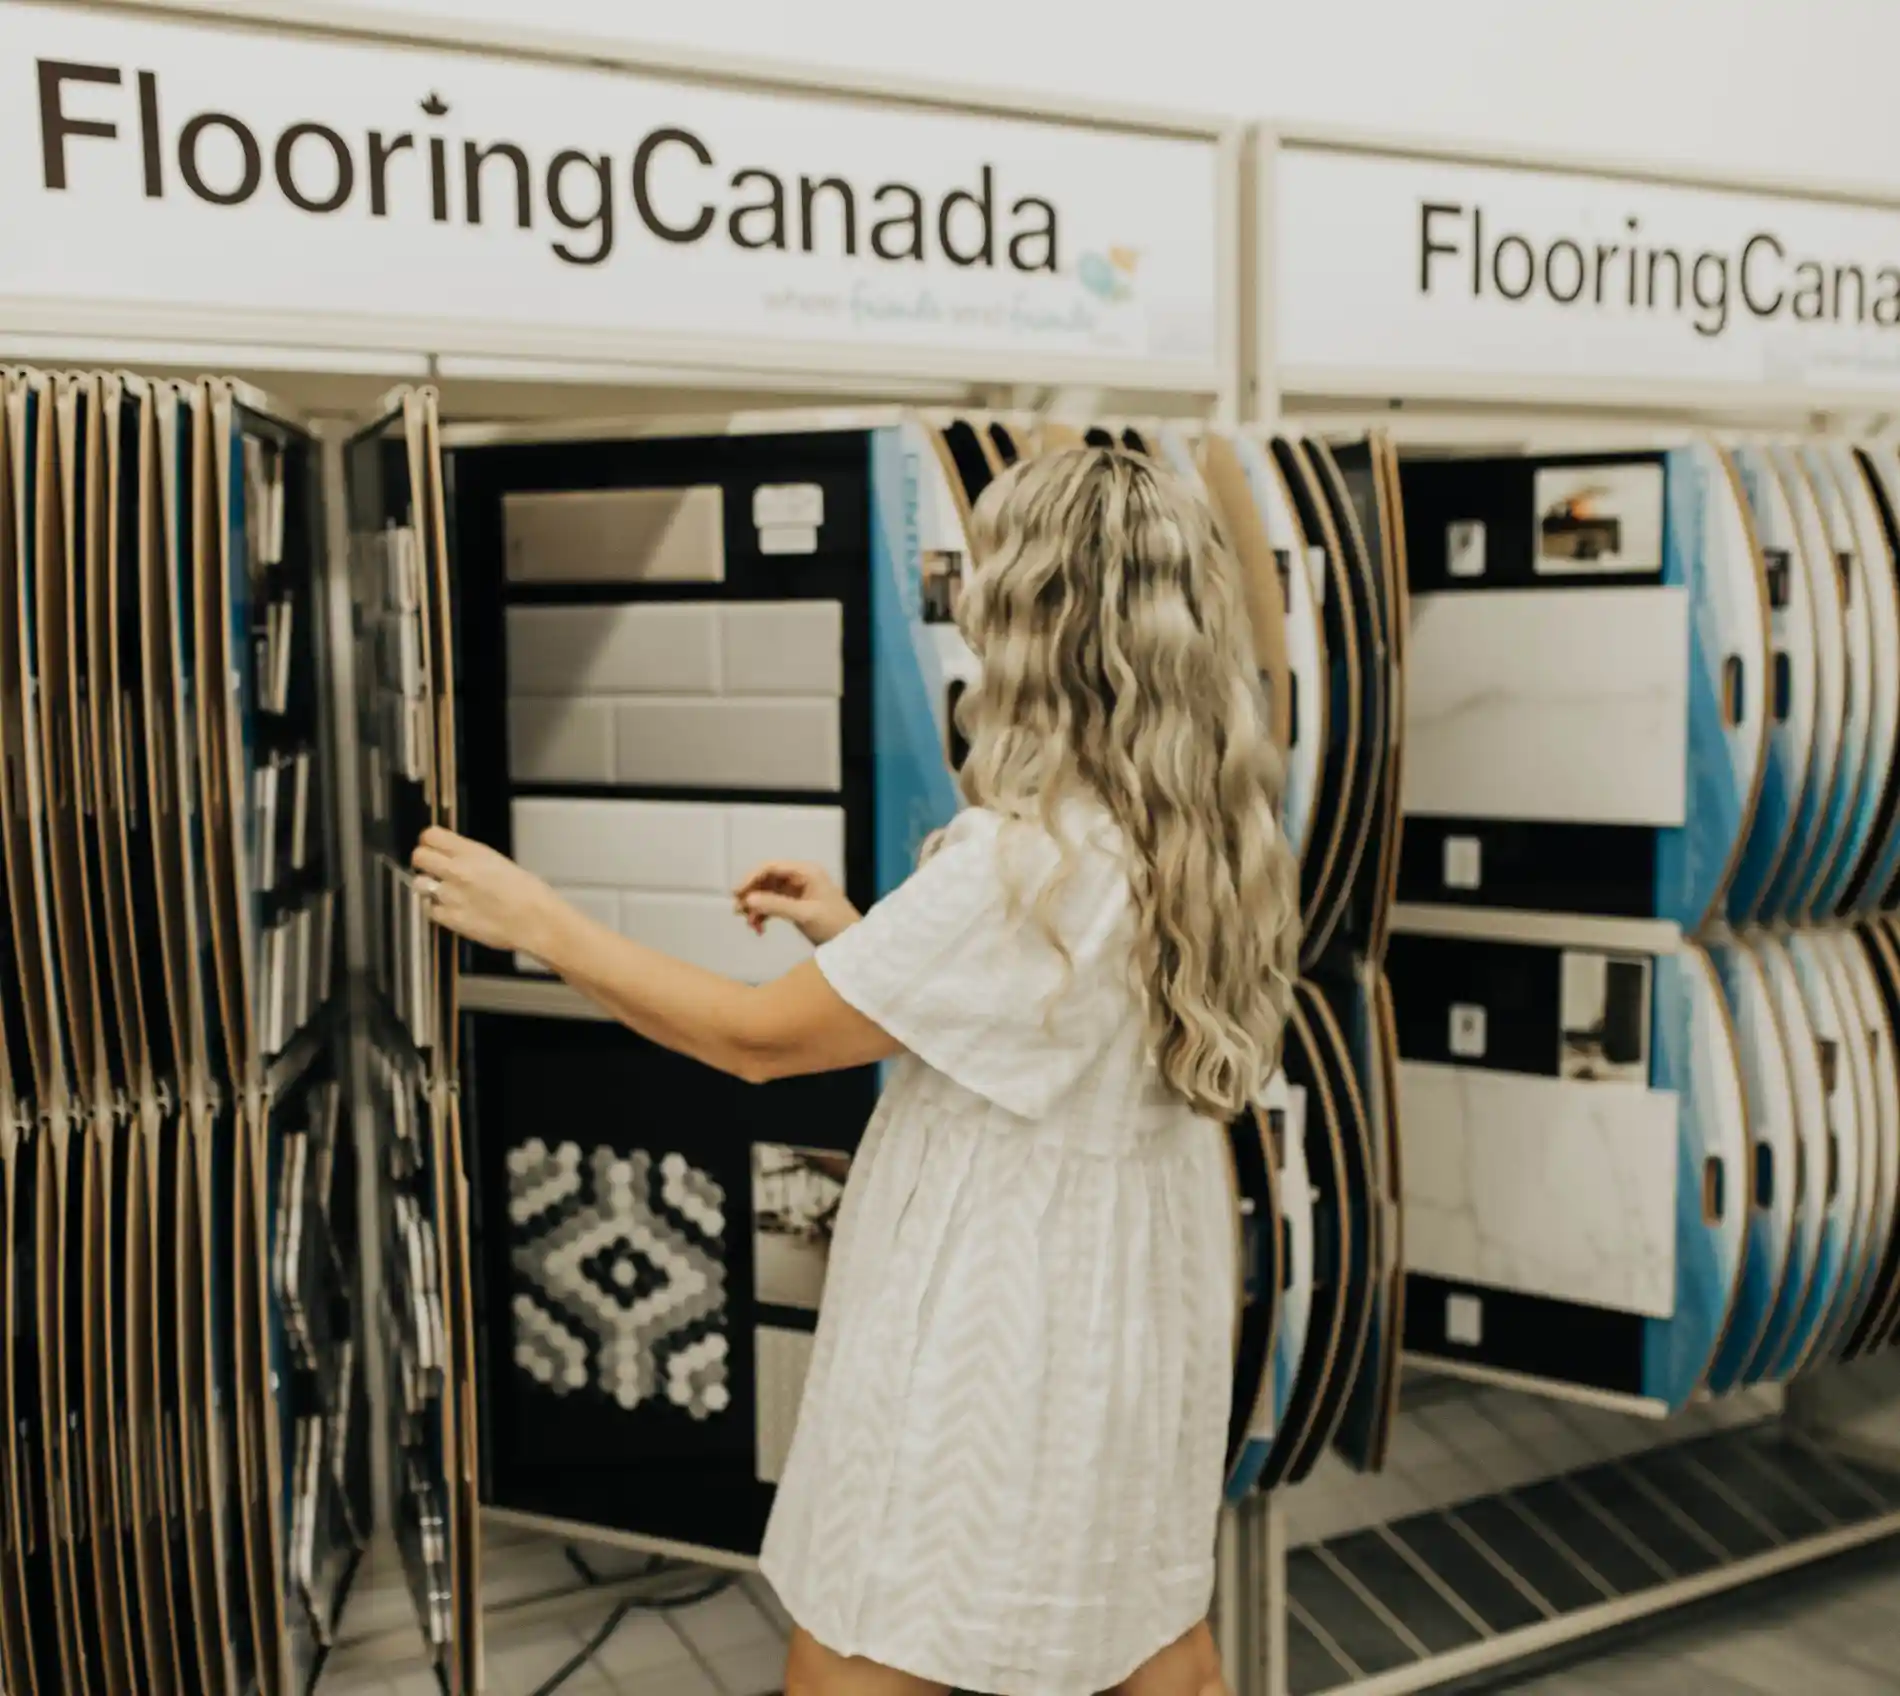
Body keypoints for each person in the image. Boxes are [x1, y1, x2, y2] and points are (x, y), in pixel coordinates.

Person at [411, 445, 1302, 1696]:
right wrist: (865, 939)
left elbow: (752, 1040)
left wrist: (539, 921)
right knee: (1142, 1614)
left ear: (1039, 619)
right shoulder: (1199, 820)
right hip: (1138, 1285)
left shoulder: (1018, 859)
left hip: (999, 1300)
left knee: (870, 1628)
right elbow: (1054, 1017)